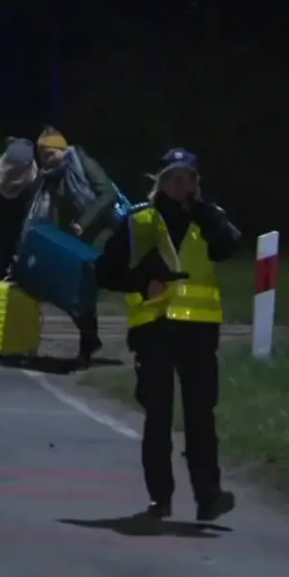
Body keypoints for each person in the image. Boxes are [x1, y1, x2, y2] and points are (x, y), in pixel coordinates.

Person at [94, 148, 241, 522]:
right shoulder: (140, 220)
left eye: (188, 178)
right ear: (160, 181)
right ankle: (160, 499)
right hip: (154, 330)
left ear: (196, 182)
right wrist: (145, 283)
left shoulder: (208, 218)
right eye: (174, 177)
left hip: (199, 333)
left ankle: (208, 496)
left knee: (200, 417)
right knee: (158, 418)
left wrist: (204, 211)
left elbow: (229, 248)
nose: (181, 184)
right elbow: (106, 272)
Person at [33, 126, 122, 368]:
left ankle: (87, 346)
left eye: (51, 153)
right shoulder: (51, 176)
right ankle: (90, 340)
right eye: (43, 156)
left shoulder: (82, 162)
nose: (47, 159)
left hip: (99, 233)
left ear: (62, 149)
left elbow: (107, 195)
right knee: (72, 291)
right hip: (73, 239)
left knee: (84, 288)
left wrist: (85, 222)